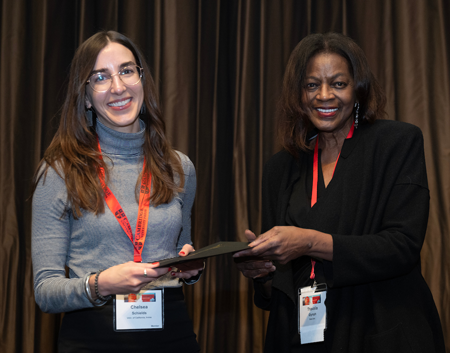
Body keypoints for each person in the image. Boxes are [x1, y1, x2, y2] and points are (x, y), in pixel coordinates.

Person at [233, 32, 445, 352]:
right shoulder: (281, 167)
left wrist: (309, 242)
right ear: (298, 94)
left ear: (358, 89)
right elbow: (283, 284)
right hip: (304, 335)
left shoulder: (396, 143)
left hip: (378, 329)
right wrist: (263, 275)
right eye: (311, 85)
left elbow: (402, 248)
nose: (324, 95)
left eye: (338, 83)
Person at [32, 30, 203, 353]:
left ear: (142, 79)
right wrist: (102, 284)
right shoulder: (59, 170)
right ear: (85, 97)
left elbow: (181, 251)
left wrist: (189, 268)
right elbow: (45, 291)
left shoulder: (179, 167)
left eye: (126, 70)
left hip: (173, 335)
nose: (118, 87)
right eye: (100, 77)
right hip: (92, 339)